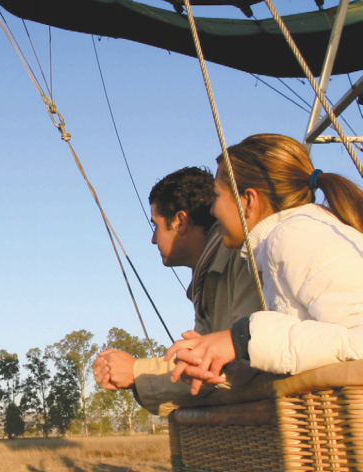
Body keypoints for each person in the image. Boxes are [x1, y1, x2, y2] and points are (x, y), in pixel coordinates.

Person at [166, 133, 363, 395]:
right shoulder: (283, 241)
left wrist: (242, 339)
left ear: (248, 201)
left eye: (217, 196)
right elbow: (315, 349)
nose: (212, 210)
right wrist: (222, 363)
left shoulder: (295, 236)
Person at [92, 167, 262, 412]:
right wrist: (135, 374)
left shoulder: (244, 258)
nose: (153, 239)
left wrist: (136, 371)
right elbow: (199, 368)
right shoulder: (207, 278)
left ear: (180, 221)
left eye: (156, 225)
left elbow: (245, 365)